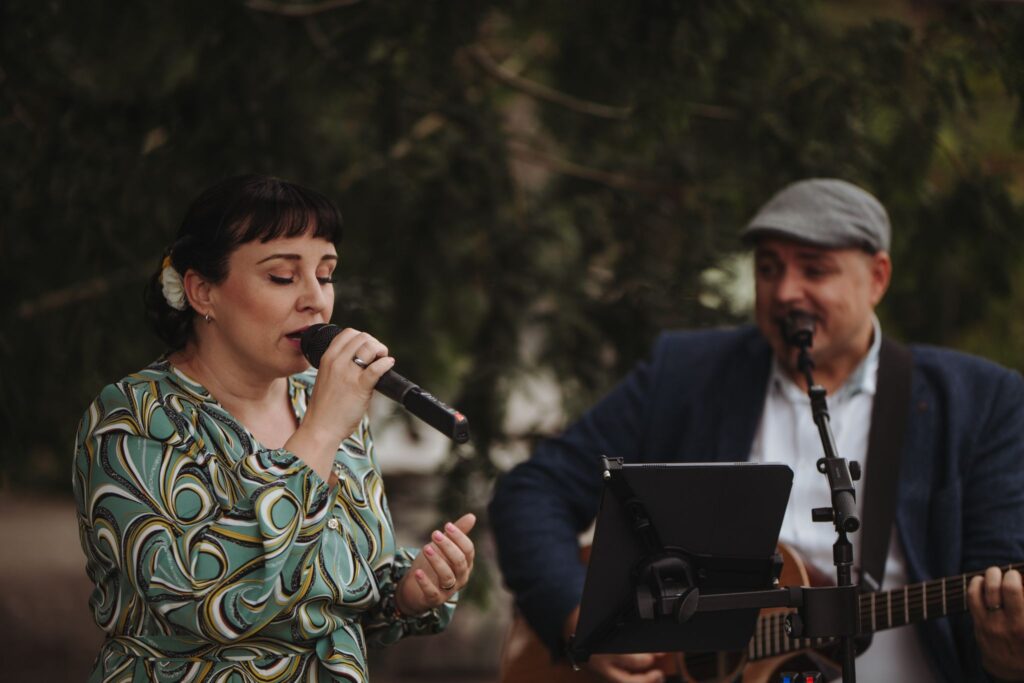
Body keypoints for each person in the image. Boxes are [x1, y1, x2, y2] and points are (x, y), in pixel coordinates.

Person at [489, 178, 1024, 682]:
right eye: (768, 269)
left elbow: (998, 591)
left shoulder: (980, 402)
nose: (786, 291)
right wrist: (581, 618)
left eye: (814, 270)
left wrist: (1007, 657)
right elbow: (532, 492)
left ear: (877, 278)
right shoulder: (685, 375)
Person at [72, 174, 476, 682]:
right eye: (283, 277)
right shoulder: (133, 418)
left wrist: (405, 593)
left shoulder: (320, 398)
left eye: (326, 275)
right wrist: (321, 435)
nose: (315, 299)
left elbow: (331, 594)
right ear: (201, 291)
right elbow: (201, 601)